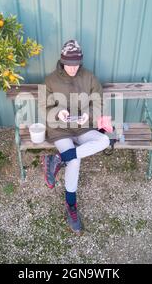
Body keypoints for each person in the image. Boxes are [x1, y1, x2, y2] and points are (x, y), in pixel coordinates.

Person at [40, 39, 111, 235]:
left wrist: (89, 114)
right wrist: (59, 112)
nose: (72, 68)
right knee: (75, 160)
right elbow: (43, 108)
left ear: (81, 61)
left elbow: (99, 102)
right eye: (69, 64)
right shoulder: (50, 80)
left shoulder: (89, 77)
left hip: (83, 127)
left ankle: (57, 160)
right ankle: (71, 205)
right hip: (60, 129)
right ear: (62, 61)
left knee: (104, 140)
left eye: (76, 64)